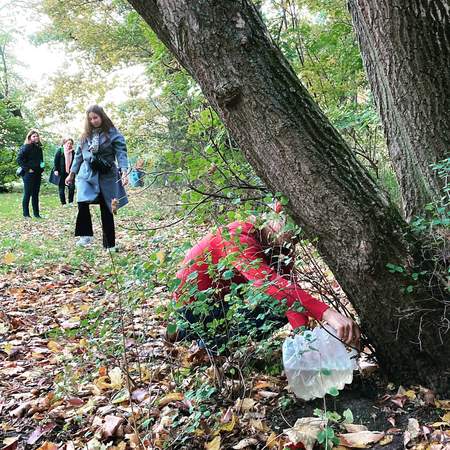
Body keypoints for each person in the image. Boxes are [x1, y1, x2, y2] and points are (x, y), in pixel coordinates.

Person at [173, 213, 360, 349]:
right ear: (273, 216)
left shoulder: (279, 247)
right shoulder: (237, 235)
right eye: (288, 229)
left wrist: (306, 340)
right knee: (219, 339)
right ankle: (201, 338)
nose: (291, 239)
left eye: (297, 237)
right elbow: (268, 283)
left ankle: (205, 337)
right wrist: (328, 314)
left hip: (224, 300)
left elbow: (289, 289)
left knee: (278, 309)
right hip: (193, 305)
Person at [65, 105, 129, 251]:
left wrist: (124, 172)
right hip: (87, 174)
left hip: (107, 175)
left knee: (106, 208)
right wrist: (71, 174)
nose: (93, 121)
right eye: (90, 119)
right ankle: (85, 234)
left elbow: (121, 154)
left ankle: (109, 244)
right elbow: (78, 156)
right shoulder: (84, 136)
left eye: (96, 117)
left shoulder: (114, 134)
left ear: (102, 116)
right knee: (82, 201)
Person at [17, 130, 44, 219]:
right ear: (29, 138)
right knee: (27, 193)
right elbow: (19, 160)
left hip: (37, 174)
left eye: (37, 136)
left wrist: (42, 168)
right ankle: (26, 214)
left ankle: (36, 214)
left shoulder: (39, 148)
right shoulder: (26, 147)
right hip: (28, 174)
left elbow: (41, 161)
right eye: (34, 136)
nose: (36, 138)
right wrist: (28, 169)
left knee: (35, 194)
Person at [52, 138, 75, 206]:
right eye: (68, 143)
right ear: (64, 143)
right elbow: (56, 160)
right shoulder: (60, 150)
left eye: (71, 143)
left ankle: (70, 202)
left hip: (70, 173)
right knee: (61, 188)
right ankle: (63, 203)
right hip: (61, 172)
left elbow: (75, 162)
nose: (69, 145)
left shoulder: (73, 152)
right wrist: (56, 170)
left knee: (71, 187)